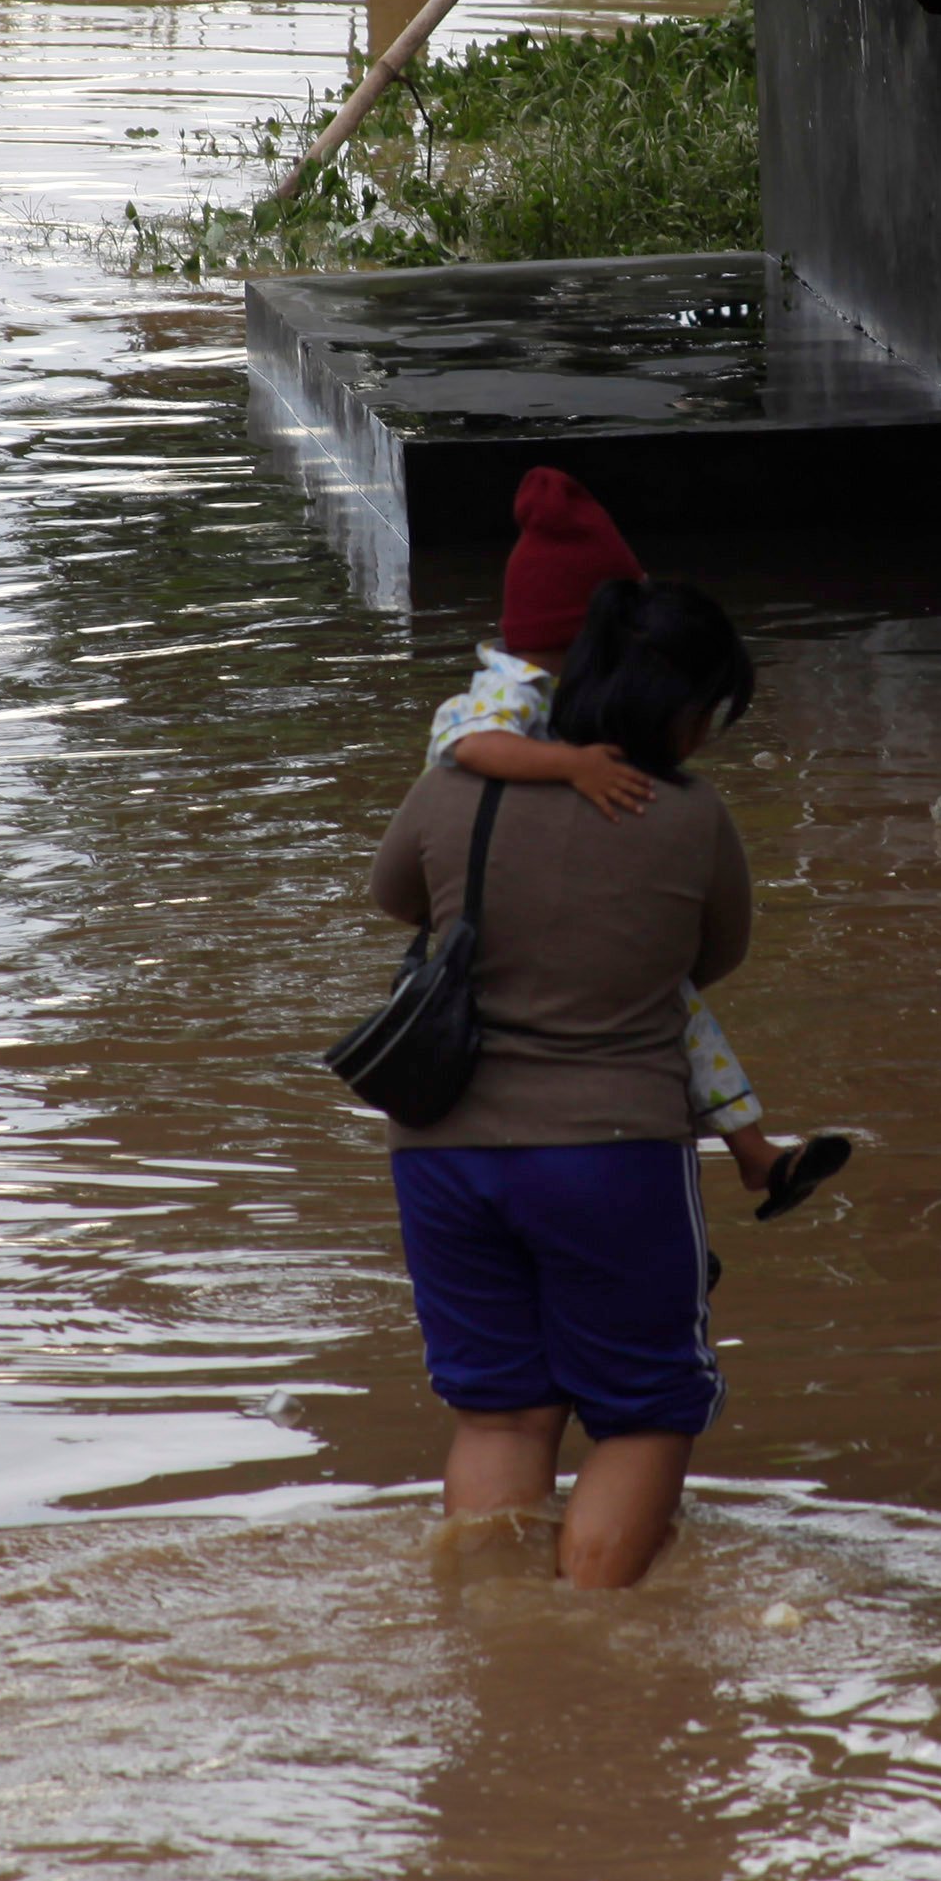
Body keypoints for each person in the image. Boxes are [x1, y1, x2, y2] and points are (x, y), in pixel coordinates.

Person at [370, 577, 761, 1589]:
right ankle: (585, 1643)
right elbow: (711, 956)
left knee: (500, 1409)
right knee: (644, 1413)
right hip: (613, 1156)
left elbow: (395, 897)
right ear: (679, 708)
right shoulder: (691, 817)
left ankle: (498, 1637)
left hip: (444, 1157)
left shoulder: (452, 785)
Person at [427, 466, 847, 1217]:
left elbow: (393, 893)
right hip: (605, 1124)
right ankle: (752, 1154)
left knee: (679, 1008)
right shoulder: (514, 688)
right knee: (671, 1001)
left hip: (461, 1152)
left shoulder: (553, 701)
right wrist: (572, 766)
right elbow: (476, 745)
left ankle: (755, 1154)